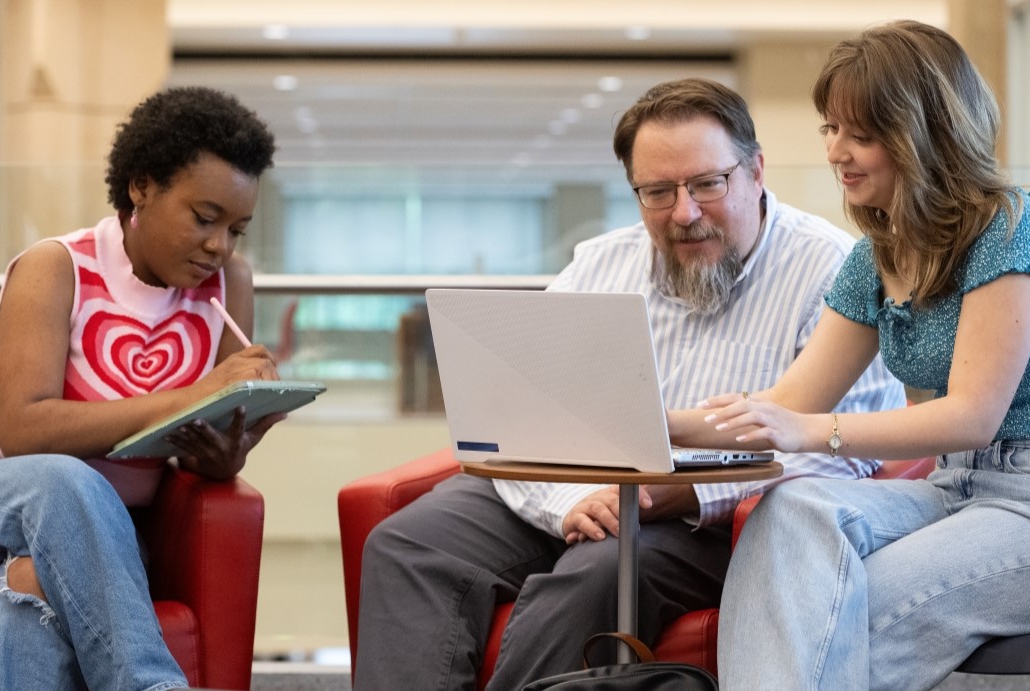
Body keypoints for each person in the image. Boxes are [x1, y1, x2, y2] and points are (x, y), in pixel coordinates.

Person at [353, 78, 906, 690]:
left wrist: (688, 495)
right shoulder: (600, 263)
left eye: (706, 184)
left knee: (597, 573)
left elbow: (839, 454)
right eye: (658, 192)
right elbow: (517, 409)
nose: (684, 213)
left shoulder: (830, 270)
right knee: (407, 543)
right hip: (578, 487)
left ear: (755, 171)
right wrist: (571, 502)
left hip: (707, 520)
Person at [682, 21, 1030, 691]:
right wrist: (653, 425)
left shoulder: (1009, 225)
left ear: (926, 131)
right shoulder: (873, 257)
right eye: (831, 128)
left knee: (846, 613)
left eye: (862, 134)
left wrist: (812, 432)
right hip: (955, 490)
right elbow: (789, 401)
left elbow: (972, 415)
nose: (836, 151)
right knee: (789, 511)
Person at [0, 86, 280, 690]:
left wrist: (226, 454)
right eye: (204, 218)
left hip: (95, 541)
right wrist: (191, 397)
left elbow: (206, 434)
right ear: (141, 186)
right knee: (67, 479)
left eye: (237, 229)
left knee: (29, 603)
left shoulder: (229, 285)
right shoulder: (56, 266)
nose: (219, 245)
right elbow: (23, 432)